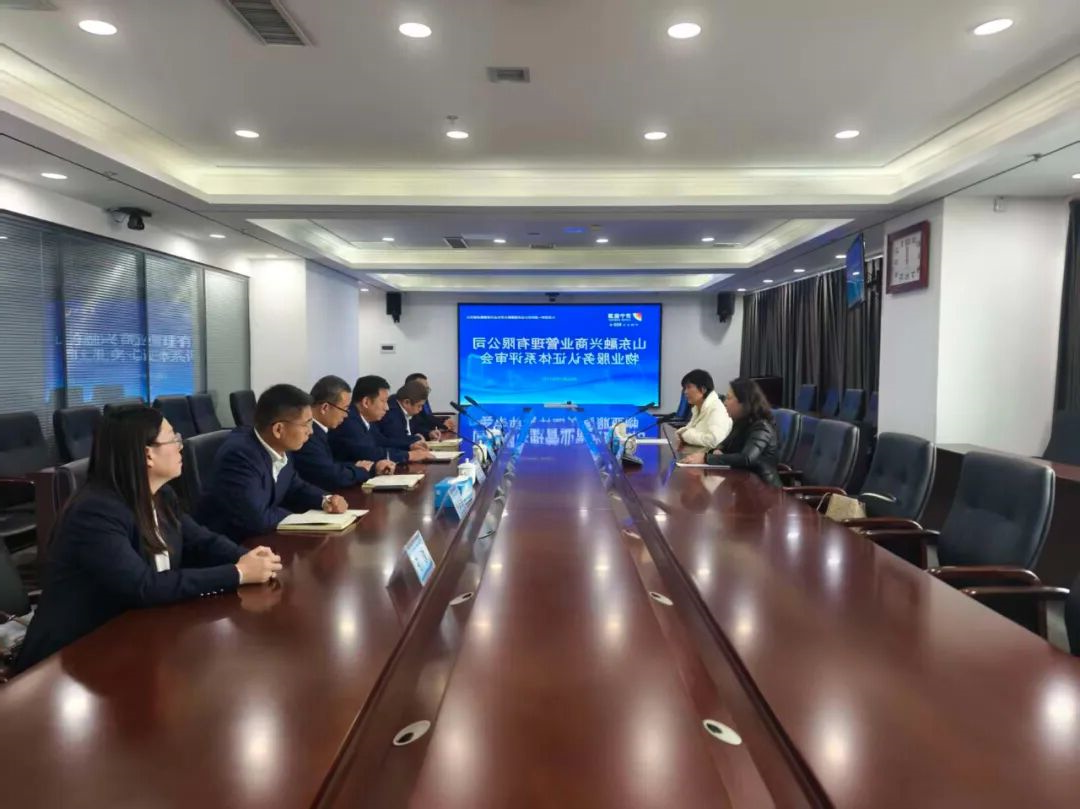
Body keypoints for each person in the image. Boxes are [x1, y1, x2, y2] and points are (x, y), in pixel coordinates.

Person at [15, 406, 281, 672]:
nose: (180, 446)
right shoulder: (96, 511)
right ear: (147, 455)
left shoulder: (161, 496)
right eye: (173, 438)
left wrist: (248, 557)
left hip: (132, 636)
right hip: (72, 657)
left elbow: (202, 541)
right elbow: (143, 586)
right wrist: (237, 573)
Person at [197, 384, 348, 541]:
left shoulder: (280, 446)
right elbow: (257, 518)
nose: (310, 431)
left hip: (262, 539)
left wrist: (325, 500)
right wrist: (300, 518)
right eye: (306, 424)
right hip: (231, 544)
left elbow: (295, 486)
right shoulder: (240, 456)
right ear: (278, 429)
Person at [292, 375, 395, 490]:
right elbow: (330, 475)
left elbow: (330, 464)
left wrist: (364, 467)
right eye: (344, 409)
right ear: (325, 408)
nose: (346, 415)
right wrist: (363, 470)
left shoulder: (320, 430)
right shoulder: (307, 436)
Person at [682, 377, 781, 486]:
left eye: (729, 398)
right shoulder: (740, 422)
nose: (725, 402)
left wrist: (706, 458)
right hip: (743, 482)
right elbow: (724, 445)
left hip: (764, 488)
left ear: (744, 402)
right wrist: (717, 451)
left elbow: (746, 458)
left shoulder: (762, 427)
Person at [329, 375, 435, 464]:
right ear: (366, 402)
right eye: (383, 401)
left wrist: (410, 446)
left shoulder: (365, 419)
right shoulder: (348, 421)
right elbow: (369, 453)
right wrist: (409, 455)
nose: (387, 408)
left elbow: (382, 442)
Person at [675, 369, 732, 449]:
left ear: (703, 389)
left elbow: (714, 440)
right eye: (685, 388)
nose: (685, 392)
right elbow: (690, 430)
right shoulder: (697, 408)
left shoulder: (716, 408)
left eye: (689, 387)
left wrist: (685, 435)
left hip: (707, 456)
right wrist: (681, 434)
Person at [378, 379, 432, 448]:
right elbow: (396, 440)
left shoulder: (408, 410)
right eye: (419, 406)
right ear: (406, 402)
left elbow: (416, 428)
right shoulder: (391, 413)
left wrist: (429, 433)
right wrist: (416, 439)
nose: (421, 409)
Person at [404, 372, 455, 437]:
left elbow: (428, 417)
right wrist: (441, 426)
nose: (426, 392)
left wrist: (444, 421)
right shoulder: (407, 403)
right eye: (423, 389)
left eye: (427, 389)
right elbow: (416, 425)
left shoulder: (422, 399)